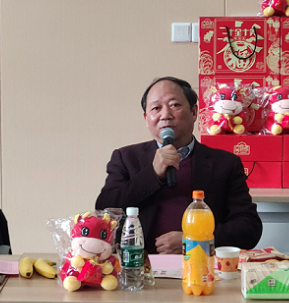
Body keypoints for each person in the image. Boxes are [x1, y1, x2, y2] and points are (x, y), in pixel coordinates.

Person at [95, 77, 262, 254]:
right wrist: (152, 174)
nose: (165, 115)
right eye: (156, 108)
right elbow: (105, 210)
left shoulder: (225, 163)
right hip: (140, 265)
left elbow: (249, 228)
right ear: (146, 119)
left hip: (203, 263)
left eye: (175, 105)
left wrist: (195, 239)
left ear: (194, 112)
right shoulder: (126, 158)